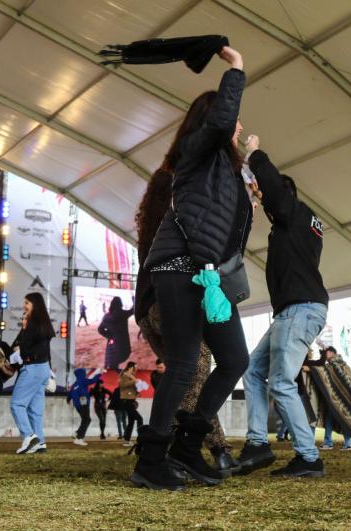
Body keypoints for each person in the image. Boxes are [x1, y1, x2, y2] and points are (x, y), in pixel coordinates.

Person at [130, 45, 251, 491]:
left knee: (235, 358)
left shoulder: (223, 168)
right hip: (178, 269)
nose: (237, 124)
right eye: (230, 117)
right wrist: (235, 70)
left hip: (208, 277)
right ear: (211, 119)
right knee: (183, 364)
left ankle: (187, 446)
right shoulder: (197, 151)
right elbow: (222, 122)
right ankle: (152, 458)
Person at [134, 161, 240, 481]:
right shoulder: (177, 220)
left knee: (191, 373)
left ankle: (188, 450)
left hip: (150, 308)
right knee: (192, 371)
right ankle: (205, 449)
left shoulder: (153, 224)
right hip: (167, 299)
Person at [236, 134, 329, 478]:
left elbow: (275, 188)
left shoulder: (294, 213)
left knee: (281, 381)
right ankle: (258, 442)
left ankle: (308, 457)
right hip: (292, 311)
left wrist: (255, 155)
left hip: (300, 309)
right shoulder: (299, 224)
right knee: (252, 369)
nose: (260, 197)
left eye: (262, 192)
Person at [10, 293, 55, 454]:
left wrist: (23, 330)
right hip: (43, 369)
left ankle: (29, 436)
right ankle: (40, 442)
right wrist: (49, 372)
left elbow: (23, 348)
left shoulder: (32, 324)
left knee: (17, 404)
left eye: (27, 302)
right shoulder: (44, 324)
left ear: (35, 304)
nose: (24, 305)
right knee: (35, 409)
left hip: (32, 367)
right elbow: (46, 350)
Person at [317, 347, 351, 451]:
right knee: (341, 417)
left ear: (331, 353)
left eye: (325, 353)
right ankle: (344, 443)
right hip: (342, 398)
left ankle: (330, 442)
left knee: (337, 418)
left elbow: (326, 374)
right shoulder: (342, 364)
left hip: (339, 398)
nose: (324, 356)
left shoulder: (334, 365)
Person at [98, 297, 134, 369]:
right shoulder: (123, 314)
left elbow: (100, 329)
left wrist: (110, 336)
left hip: (112, 343)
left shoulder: (106, 317)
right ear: (120, 304)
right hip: (123, 344)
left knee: (111, 364)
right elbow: (133, 310)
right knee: (118, 360)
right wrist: (134, 299)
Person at [67, 368, 99, 446]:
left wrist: (68, 400)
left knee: (85, 420)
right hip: (83, 404)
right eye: (84, 373)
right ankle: (79, 438)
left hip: (77, 405)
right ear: (82, 374)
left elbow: (70, 395)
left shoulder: (75, 384)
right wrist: (99, 374)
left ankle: (77, 433)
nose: (85, 374)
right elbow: (93, 380)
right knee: (87, 420)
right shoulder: (83, 381)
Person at [119, 362, 143, 446]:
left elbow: (130, 389)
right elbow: (123, 385)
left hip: (131, 400)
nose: (136, 370)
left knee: (131, 421)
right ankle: (141, 439)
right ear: (130, 367)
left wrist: (137, 392)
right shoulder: (124, 375)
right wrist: (135, 381)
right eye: (134, 368)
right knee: (139, 419)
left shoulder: (131, 376)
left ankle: (126, 440)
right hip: (127, 401)